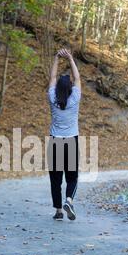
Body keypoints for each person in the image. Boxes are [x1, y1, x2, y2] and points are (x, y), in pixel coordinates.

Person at [47, 48, 81, 220]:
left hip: (55, 143)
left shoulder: (52, 98)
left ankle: (59, 210)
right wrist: (70, 59)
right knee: (72, 177)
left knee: (55, 180)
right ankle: (69, 200)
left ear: (58, 88)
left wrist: (56, 58)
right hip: (71, 142)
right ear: (70, 88)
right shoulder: (75, 98)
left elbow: (52, 78)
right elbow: (77, 78)